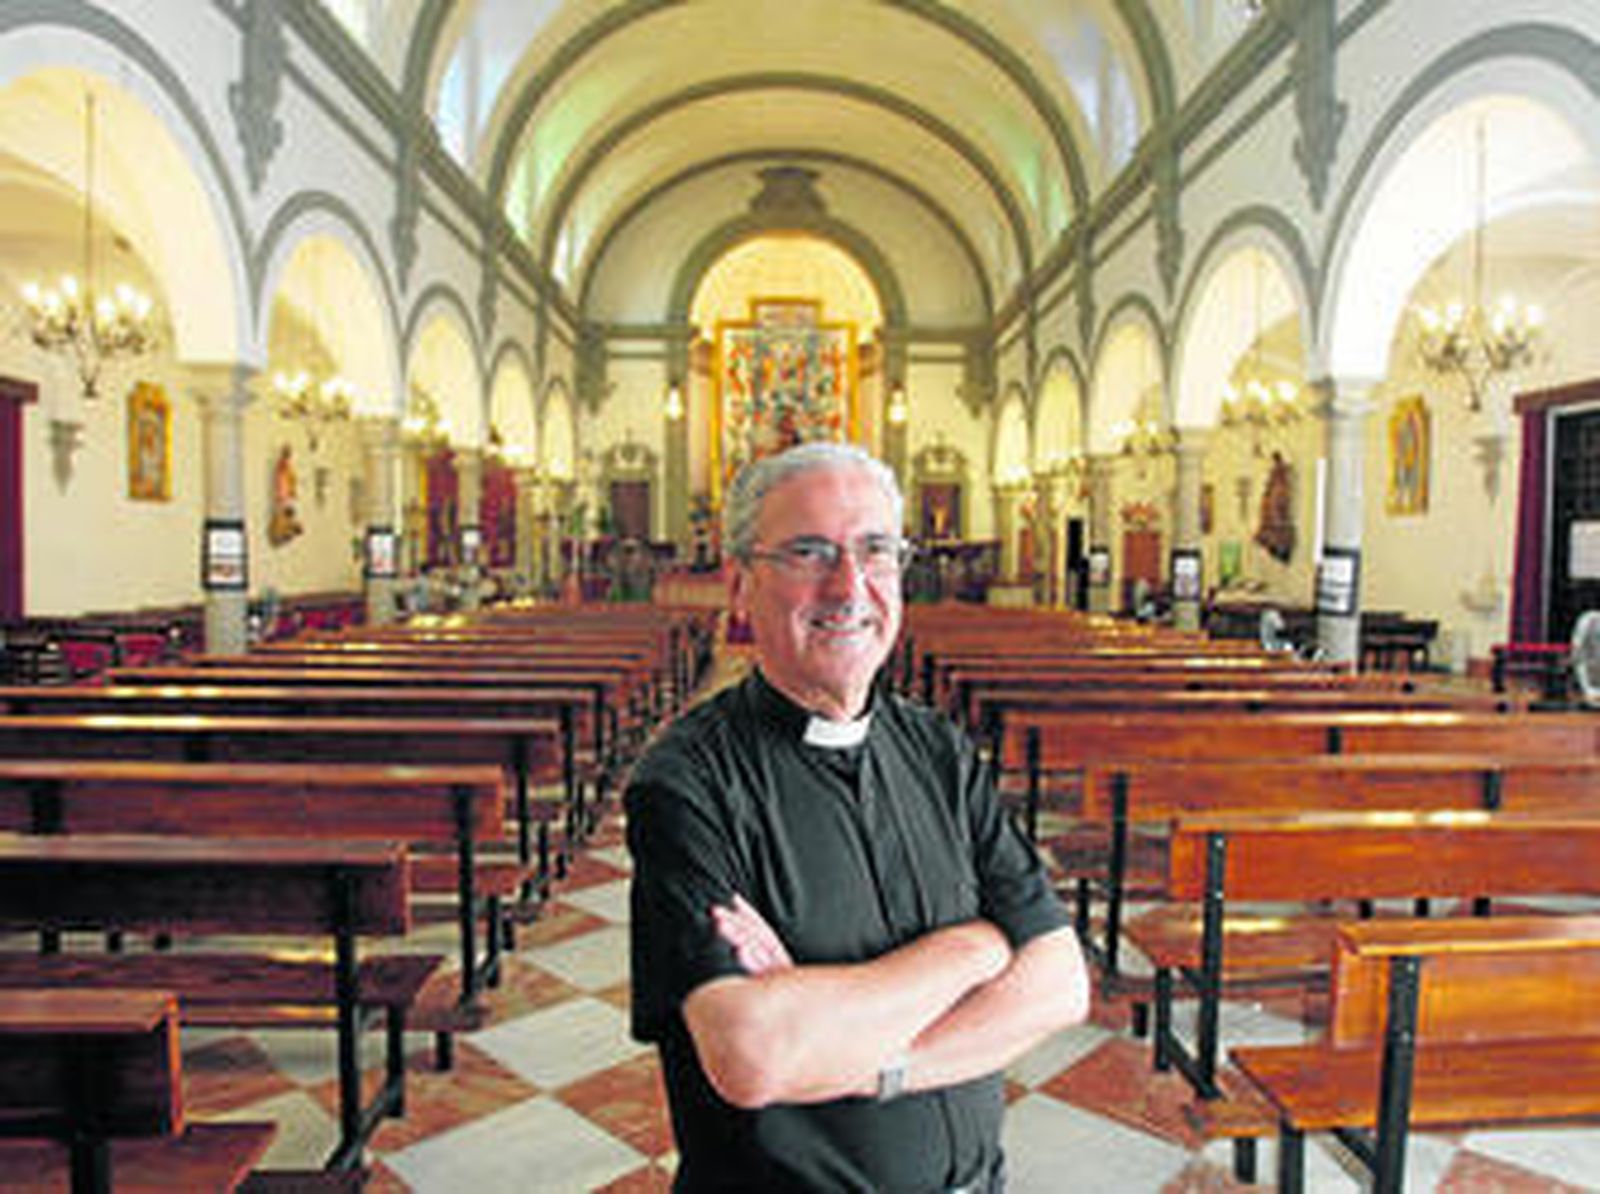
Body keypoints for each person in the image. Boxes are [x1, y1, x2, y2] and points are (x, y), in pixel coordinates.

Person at [626, 441, 1090, 1192]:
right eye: (809, 552)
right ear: (739, 585)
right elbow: (754, 1055)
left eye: (876, 551)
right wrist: (975, 950)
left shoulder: (940, 749)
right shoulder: (686, 782)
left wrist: (871, 1058)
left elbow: (1062, 985)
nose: (849, 587)